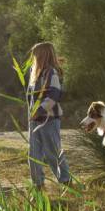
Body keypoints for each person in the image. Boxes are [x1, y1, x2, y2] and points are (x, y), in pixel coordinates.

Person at [26, 42, 71, 189]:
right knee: (33, 155)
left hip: (49, 120)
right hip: (34, 122)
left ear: (43, 56)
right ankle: (38, 185)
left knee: (53, 153)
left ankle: (66, 181)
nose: (34, 59)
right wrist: (31, 113)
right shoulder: (35, 73)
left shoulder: (51, 73)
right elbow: (30, 98)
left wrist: (39, 111)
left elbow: (54, 94)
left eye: (36, 55)